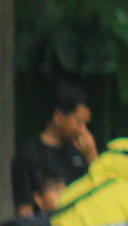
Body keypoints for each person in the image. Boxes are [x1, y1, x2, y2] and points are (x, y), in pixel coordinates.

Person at [12, 82, 96, 214]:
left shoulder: (80, 151)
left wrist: (91, 156)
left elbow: (99, 192)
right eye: (78, 122)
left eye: (85, 123)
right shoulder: (29, 156)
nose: (83, 129)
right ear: (59, 117)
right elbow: (25, 210)